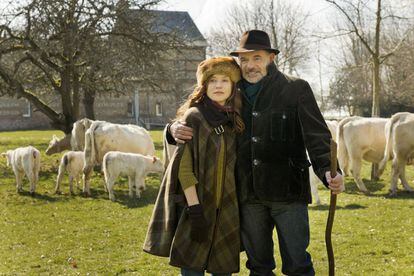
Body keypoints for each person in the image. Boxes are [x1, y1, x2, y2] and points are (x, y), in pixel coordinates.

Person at [167, 30, 345, 276]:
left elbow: (317, 136)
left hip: (288, 193)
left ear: (271, 58)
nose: (250, 66)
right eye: (245, 60)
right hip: (248, 194)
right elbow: (199, 111)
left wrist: (328, 170)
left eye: (257, 58)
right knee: (259, 266)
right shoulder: (231, 91)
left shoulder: (296, 88)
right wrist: (172, 129)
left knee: (298, 264)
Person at [143, 56, 244, 276]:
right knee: (192, 269)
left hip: (227, 209)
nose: (218, 85)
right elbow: (184, 169)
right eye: (212, 80)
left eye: (225, 80)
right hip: (196, 207)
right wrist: (195, 210)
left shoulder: (235, 121)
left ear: (233, 86)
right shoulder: (194, 117)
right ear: (204, 86)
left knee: (223, 269)